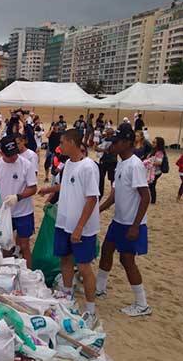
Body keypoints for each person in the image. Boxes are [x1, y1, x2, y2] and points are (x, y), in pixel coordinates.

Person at [96, 125, 151, 317]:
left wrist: (136, 225)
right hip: (118, 221)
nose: (113, 145)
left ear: (127, 143)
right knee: (106, 250)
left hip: (131, 222)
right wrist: (98, 211)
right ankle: (100, 288)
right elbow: (114, 195)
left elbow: (146, 196)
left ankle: (142, 303)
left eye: (117, 142)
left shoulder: (135, 165)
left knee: (127, 260)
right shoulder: (121, 163)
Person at [54, 129, 100, 323]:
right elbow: (68, 187)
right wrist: (50, 190)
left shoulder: (88, 167)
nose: (60, 146)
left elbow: (91, 198)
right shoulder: (68, 165)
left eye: (63, 142)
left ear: (72, 143)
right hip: (64, 222)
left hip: (83, 227)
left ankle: (90, 309)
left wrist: (80, 227)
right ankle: (67, 295)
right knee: (65, 259)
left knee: (83, 267)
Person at [0, 134, 38, 267]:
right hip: (6, 213)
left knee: (25, 245)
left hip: (24, 212)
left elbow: (33, 188)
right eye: (10, 155)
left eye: (15, 154)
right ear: (1, 152)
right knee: (5, 245)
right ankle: (5, 270)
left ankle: (29, 273)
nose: (13, 157)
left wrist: (18, 197)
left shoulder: (26, 165)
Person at [95, 128, 117, 199]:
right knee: (101, 177)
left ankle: (113, 193)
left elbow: (114, 150)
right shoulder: (103, 140)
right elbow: (96, 148)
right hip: (103, 161)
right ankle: (100, 191)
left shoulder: (115, 141)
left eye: (110, 134)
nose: (108, 135)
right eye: (107, 134)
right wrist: (104, 150)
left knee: (112, 178)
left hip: (112, 161)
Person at [145, 137, 166, 204]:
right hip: (151, 171)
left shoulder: (159, 152)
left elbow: (159, 162)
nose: (152, 143)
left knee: (151, 185)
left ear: (158, 144)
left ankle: (153, 200)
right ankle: (152, 199)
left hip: (156, 172)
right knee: (151, 185)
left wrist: (149, 161)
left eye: (154, 142)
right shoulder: (153, 150)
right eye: (152, 142)